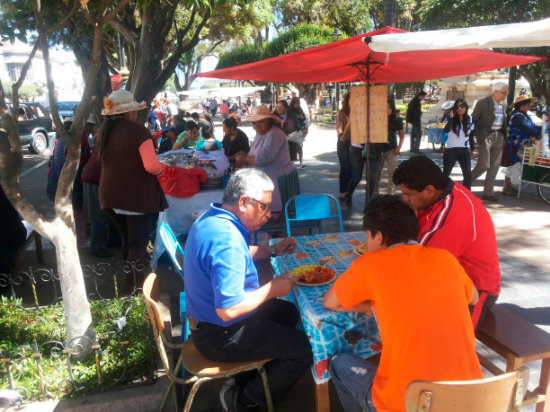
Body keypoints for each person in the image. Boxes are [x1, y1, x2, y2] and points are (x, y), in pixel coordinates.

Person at [324, 195, 482, 412]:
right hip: (470, 398)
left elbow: (331, 302)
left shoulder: (370, 264)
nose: (367, 243)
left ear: (378, 237)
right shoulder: (445, 258)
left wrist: (370, 307)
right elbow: (473, 297)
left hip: (406, 403)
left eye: (367, 237)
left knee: (337, 362)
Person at [184, 168, 313, 411]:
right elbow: (229, 310)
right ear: (243, 202)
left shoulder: (213, 219)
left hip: (207, 325)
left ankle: (250, 375)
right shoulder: (226, 240)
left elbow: (240, 255)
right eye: (264, 206)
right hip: (220, 335)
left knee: (288, 313)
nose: (268, 214)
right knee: (303, 349)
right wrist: (273, 288)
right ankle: (243, 399)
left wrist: (272, 250)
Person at [392, 155, 500, 328]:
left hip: (477, 290)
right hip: (447, 279)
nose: (405, 199)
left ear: (429, 190)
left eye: (408, 194)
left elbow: (421, 266)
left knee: (449, 343)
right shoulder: (440, 195)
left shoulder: (453, 214)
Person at [97, 90, 168, 268]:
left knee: (128, 242)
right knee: (137, 246)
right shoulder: (139, 132)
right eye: (134, 110)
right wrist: (161, 169)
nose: (136, 113)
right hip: (135, 198)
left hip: (111, 197)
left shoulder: (104, 130)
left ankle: (130, 287)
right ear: (129, 112)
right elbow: (152, 167)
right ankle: (134, 289)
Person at [235, 105, 295, 213]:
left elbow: (261, 160)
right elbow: (253, 153)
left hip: (278, 179)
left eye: (255, 123)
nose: (253, 126)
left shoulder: (274, 134)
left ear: (265, 122)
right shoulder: (260, 134)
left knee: (277, 215)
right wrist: (246, 158)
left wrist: (245, 159)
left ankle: (277, 229)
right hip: (266, 178)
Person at [471, 81, 509, 202]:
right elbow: (473, 119)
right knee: (484, 165)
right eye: (504, 92)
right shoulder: (483, 103)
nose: (505, 95)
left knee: (494, 166)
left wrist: (503, 136)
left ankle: (488, 193)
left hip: (498, 136)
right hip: (485, 136)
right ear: (495, 91)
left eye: (506, 93)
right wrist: (479, 135)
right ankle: (465, 184)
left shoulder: (502, 105)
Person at [501, 94, 542, 195]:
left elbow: (531, 126)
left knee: (515, 164)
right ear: (522, 106)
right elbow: (526, 128)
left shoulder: (523, 115)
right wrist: (539, 132)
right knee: (514, 164)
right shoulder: (517, 117)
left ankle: (508, 187)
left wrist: (542, 129)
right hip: (516, 144)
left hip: (521, 143)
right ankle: (507, 188)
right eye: (528, 105)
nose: (529, 107)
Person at [442, 99, 475, 190]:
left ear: (466, 107)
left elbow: (471, 135)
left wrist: (472, 149)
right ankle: (441, 193)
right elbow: (446, 130)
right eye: (457, 107)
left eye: (462, 106)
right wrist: (451, 118)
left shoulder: (470, 119)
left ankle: (467, 194)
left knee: (467, 174)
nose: (460, 108)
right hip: (451, 150)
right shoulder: (452, 119)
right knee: (446, 173)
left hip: (464, 150)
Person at [375, 99, 405, 195]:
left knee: (392, 173)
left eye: (389, 108)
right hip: (378, 149)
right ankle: (375, 192)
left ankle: (390, 194)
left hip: (392, 149)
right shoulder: (377, 118)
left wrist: (399, 147)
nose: (387, 110)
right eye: (385, 108)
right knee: (377, 172)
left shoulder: (397, 120)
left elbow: (402, 134)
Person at [275, 99, 304, 168]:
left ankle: (301, 162)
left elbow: (296, 127)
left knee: (297, 148)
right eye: (277, 107)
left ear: (286, 108)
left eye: (280, 107)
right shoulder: (274, 115)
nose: (278, 109)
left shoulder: (292, 115)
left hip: (291, 140)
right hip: (278, 141)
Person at [289, 97, 309, 168]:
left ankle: (301, 162)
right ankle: (290, 163)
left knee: (300, 146)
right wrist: (297, 117)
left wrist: (301, 117)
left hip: (299, 130)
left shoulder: (299, 109)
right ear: (293, 104)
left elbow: (303, 118)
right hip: (291, 131)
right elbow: (289, 118)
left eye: (298, 104)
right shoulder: (289, 109)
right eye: (296, 104)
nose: (297, 105)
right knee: (291, 147)